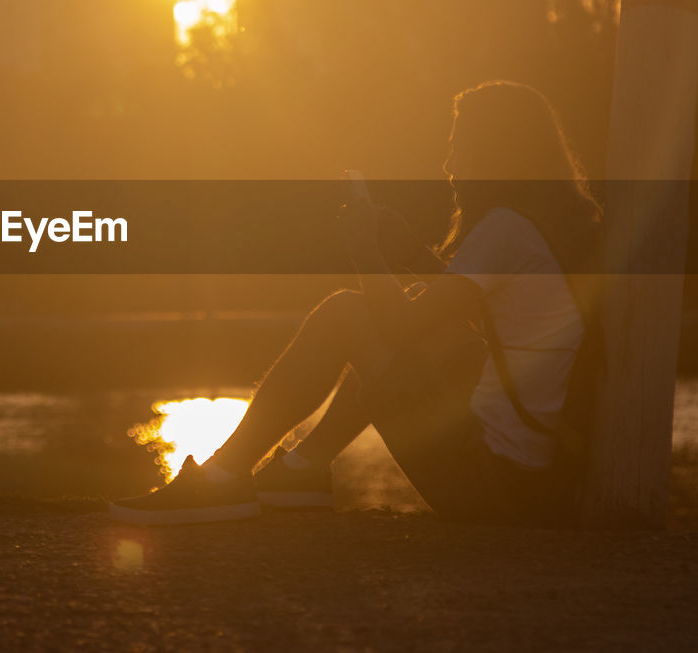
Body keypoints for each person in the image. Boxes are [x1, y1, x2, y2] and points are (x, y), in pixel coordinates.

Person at [109, 80, 603, 527]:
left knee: (348, 313)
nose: (450, 165)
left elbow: (405, 327)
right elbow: (482, 313)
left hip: (490, 486)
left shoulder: (505, 228)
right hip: (534, 483)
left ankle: (223, 478)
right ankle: (301, 470)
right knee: (414, 311)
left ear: (493, 152)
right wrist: (411, 256)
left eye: (458, 148)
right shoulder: (548, 227)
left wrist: (365, 252)